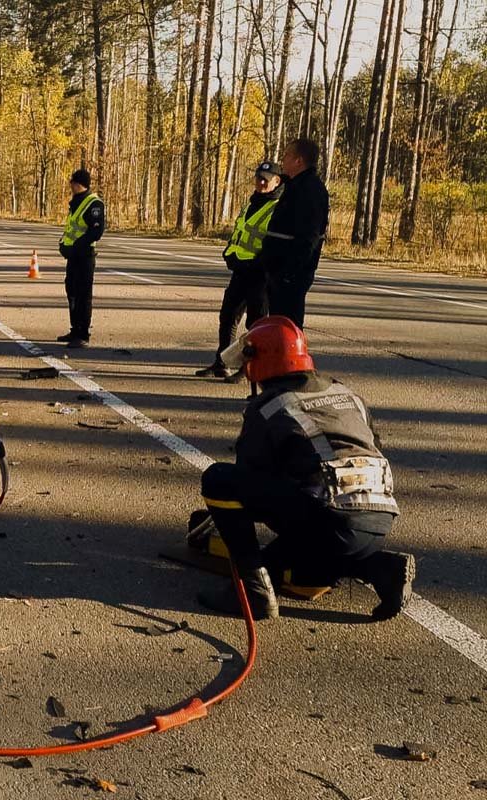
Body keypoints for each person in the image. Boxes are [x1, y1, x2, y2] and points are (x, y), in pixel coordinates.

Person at [196, 315, 414, 621]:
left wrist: (230, 524)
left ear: (258, 360)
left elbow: (249, 478)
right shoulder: (346, 393)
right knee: (302, 564)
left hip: (329, 518)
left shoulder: (271, 406)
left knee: (219, 480)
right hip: (379, 517)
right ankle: (381, 569)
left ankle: (251, 592)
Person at [195, 161, 283, 379]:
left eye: (266, 179)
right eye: (258, 177)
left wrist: (258, 265)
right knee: (228, 317)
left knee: (255, 325)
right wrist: (229, 253)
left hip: (260, 275)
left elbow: (274, 245)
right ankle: (221, 362)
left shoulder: (278, 207)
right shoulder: (251, 202)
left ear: (276, 181)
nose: (261, 182)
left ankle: (247, 369)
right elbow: (240, 231)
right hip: (240, 271)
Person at [261, 138, 329, 327]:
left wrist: (289, 273)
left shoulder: (310, 190)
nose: (283, 159)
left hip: (290, 276)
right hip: (278, 273)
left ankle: (289, 357)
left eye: (287, 155)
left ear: (298, 161)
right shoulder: (294, 185)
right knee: (277, 325)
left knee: (288, 327)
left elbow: (309, 237)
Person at [56, 169, 105, 349]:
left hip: (84, 256)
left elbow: (96, 232)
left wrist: (75, 246)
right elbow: (72, 228)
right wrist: (63, 244)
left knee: (83, 295)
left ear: (77, 183)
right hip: (73, 256)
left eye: (72, 182)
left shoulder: (94, 204)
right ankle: (75, 329)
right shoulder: (76, 202)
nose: (70, 185)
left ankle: (83, 334)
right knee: (72, 291)